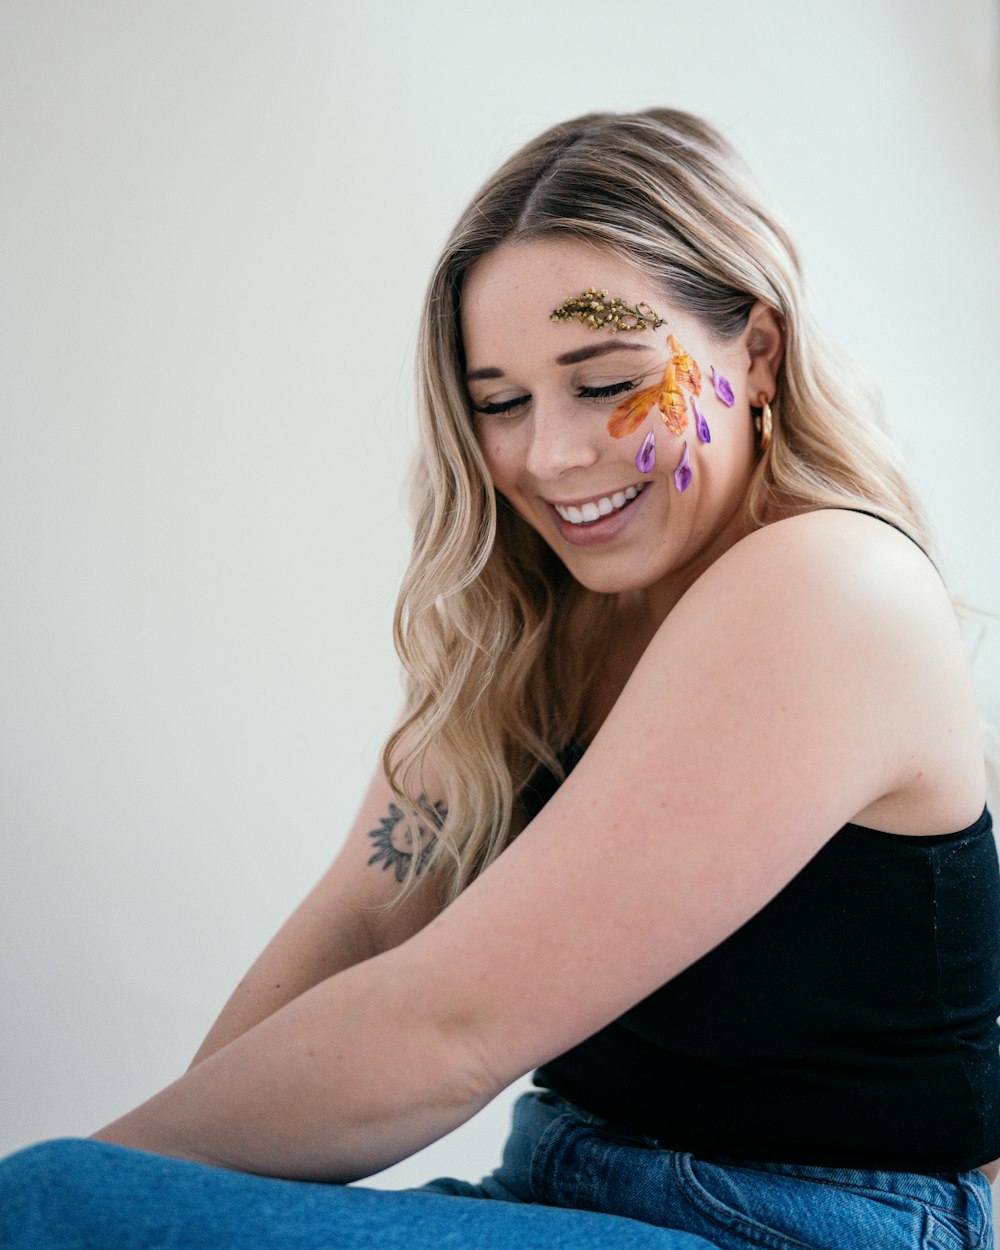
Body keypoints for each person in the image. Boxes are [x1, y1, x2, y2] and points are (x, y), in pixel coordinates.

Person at [1, 107, 996, 1250]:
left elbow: (445, 1028)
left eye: (607, 379)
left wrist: (74, 1203)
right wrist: (136, 1203)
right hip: (562, 1193)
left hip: (794, 1231)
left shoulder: (831, 581)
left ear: (756, 352)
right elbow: (369, 926)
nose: (552, 455)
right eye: (501, 401)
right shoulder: (547, 624)